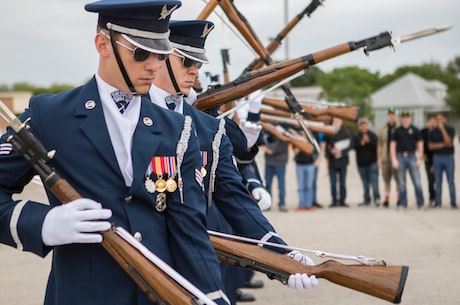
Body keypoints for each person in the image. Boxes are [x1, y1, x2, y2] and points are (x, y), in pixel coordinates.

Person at [0, 1, 234, 304]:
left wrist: (213, 295)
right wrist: (42, 223)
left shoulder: (178, 129)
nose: (153, 64)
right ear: (103, 44)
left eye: (161, 54)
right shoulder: (51, 116)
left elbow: (189, 228)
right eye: (141, 52)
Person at [148, 19, 318, 304]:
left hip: (195, 265)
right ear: (161, 57)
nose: (194, 70)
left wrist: (280, 253)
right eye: (186, 60)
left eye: (198, 63)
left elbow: (233, 195)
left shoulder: (209, 128)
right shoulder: (127, 113)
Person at [390, 110, 424, 209]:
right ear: (401, 118)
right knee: (402, 182)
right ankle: (403, 203)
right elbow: (392, 145)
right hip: (400, 157)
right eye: (403, 117)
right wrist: (393, 159)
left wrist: (420, 158)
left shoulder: (415, 130)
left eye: (407, 117)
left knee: (417, 181)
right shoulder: (397, 130)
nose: (405, 119)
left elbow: (420, 144)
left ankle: (420, 202)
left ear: (410, 118)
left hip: (412, 156)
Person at [428, 112, 457, 209]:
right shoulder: (432, 132)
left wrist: (443, 130)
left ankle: (453, 201)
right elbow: (431, 146)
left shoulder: (450, 129)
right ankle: (438, 201)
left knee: (451, 181)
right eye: (437, 119)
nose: (439, 121)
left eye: (440, 119)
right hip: (437, 158)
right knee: (438, 181)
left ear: (445, 119)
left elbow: (449, 143)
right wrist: (443, 145)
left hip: (448, 157)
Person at [322, 118, 352, 207]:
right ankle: (334, 200)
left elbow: (350, 145)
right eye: (335, 121)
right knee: (333, 183)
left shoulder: (346, 133)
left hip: (343, 162)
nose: (336, 123)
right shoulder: (328, 133)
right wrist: (331, 151)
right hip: (332, 162)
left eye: (338, 121)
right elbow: (325, 147)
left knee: (342, 183)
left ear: (341, 122)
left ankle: (342, 200)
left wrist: (341, 152)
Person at [353, 117, 381, 207]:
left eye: (365, 124)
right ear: (359, 126)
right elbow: (355, 147)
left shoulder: (373, 135)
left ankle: (377, 198)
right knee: (365, 183)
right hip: (361, 163)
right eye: (362, 125)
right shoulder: (356, 136)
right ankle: (366, 199)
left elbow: (376, 147)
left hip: (372, 163)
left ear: (368, 125)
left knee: (374, 182)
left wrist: (368, 142)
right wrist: (362, 142)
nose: (363, 126)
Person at [260, 134, 289, 211]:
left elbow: (272, 150)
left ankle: (282, 203)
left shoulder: (282, 132)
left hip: (280, 163)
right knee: (267, 184)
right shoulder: (266, 133)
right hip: (269, 162)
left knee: (281, 185)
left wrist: (266, 149)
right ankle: (268, 204)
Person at [377, 107, 400, 208]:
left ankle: (399, 199)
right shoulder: (383, 128)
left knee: (398, 180)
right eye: (390, 115)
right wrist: (378, 158)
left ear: (396, 116)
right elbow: (380, 144)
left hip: (397, 157)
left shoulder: (400, 128)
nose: (391, 116)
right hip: (385, 157)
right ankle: (386, 199)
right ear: (387, 116)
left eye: (393, 114)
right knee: (386, 180)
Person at [420, 115, 437, 206]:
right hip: (427, 158)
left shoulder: (437, 131)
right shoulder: (423, 131)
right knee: (430, 179)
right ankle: (432, 197)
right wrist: (422, 154)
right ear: (427, 122)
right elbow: (419, 143)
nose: (432, 123)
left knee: (437, 179)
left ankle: (437, 198)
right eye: (430, 121)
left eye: (434, 121)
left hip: (437, 158)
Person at [293, 146, 316, 211]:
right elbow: (295, 152)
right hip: (299, 165)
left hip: (310, 164)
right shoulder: (297, 139)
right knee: (300, 187)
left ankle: (309, 205)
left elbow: (314, 149)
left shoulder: (310, 138)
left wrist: (317, 160)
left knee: (309, 186)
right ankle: (301, 205)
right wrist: (301, 146)